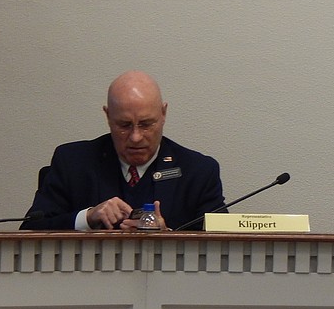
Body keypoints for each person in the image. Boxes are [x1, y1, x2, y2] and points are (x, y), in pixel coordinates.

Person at [22, 71, 225, 232]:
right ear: (108, 116)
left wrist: (168, 236)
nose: (136, 137)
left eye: (146, 124)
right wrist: (88, 217)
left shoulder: (198, 172)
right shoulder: (72, 163)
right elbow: (31, 229)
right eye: (124, 125)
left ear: (163, 114)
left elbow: (223, 243)